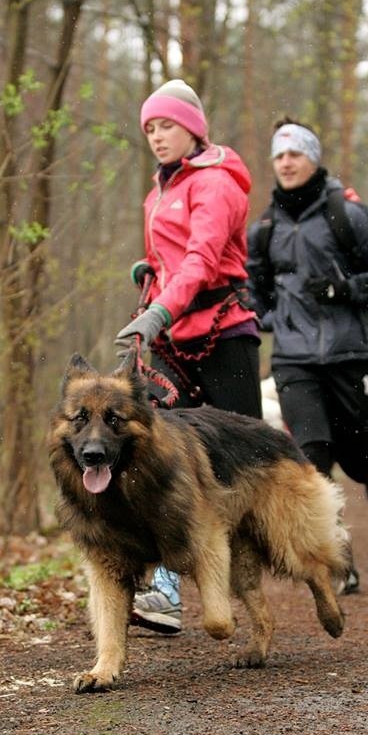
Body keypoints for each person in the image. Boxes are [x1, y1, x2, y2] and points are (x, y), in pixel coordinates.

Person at [115, 78, 262, 633]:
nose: (156, 136)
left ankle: (275, 572)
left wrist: (161, 311)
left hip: (225, 334)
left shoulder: (218, 183)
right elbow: (170, 259)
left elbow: (201, 260)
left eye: (167, 125)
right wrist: (148, 281)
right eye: (150, 127)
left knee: (239, 463)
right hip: (174, 338)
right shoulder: (157, 193)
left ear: (193, 128)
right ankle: (165, 591)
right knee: (161, 452)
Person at [246, 116, 368, 593]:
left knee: (356, 458)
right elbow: (255, 292)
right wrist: (272, 319)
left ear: (313, 158)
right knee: (314, 458)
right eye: (279, 155)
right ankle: (342, 561)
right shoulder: (266, 227)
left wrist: (345, 289)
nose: (286, 162)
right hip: (294, 361)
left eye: (295, 153)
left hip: (351, 354)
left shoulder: (347, 214)